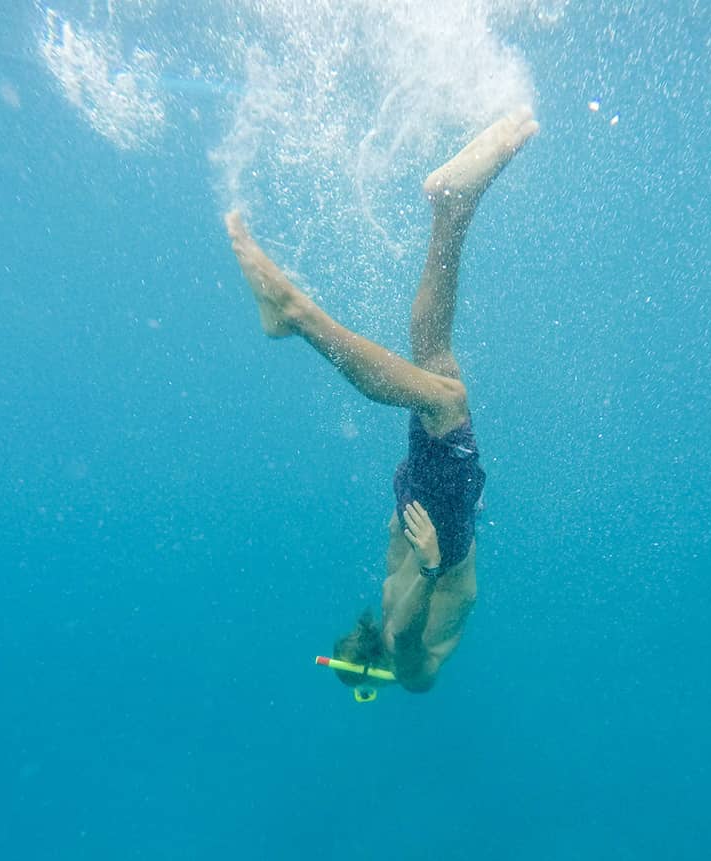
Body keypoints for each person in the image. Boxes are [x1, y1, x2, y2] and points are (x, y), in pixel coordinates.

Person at [225, 107, 539, 693]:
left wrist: (425, 564)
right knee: (434, 356)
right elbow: (397, 617)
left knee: (446, 396)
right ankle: (450, 208)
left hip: (439, 526)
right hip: (431, 503)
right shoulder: (396, 617)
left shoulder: (410, 665)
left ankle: (296, 316)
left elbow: (403, 640)